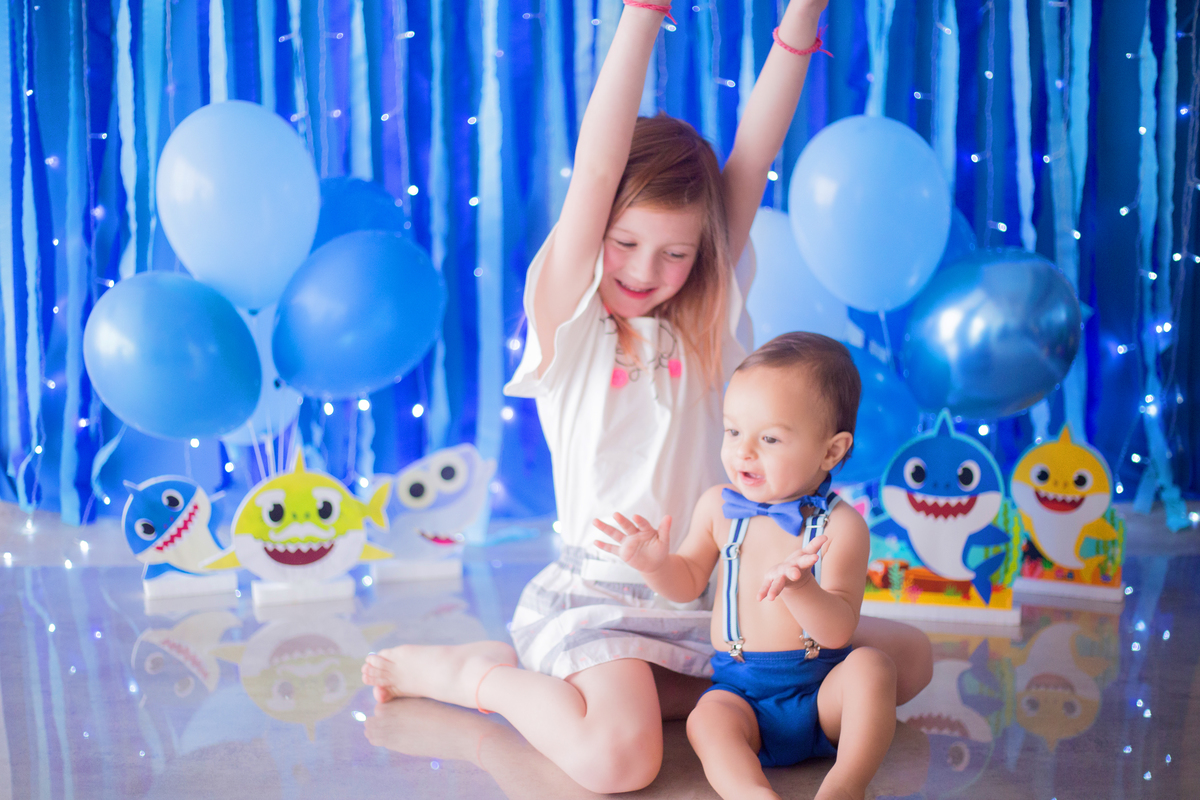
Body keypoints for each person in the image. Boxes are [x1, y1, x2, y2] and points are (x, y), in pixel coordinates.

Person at [362, 0, 932, 792]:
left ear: (703, 255)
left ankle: (641, 690)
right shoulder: (570, 320)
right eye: (626, 242)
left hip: (714, 596)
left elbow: (753, 151)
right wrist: (643, 12)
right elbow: (598, 169)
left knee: (905, 658)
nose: (643, 269)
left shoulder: (707, 326)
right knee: (620, 763)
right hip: (603, 598)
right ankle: (476, 675)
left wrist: (801, 18)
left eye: (674, 252)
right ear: (599, 233)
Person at [594, 333, 895, 800]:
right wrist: (656, 565)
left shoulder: (843, 527)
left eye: (770, 438)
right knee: (706, 721)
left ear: (831, 452)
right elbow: (688, 581)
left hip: (821, 692)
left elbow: (838, 629)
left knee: (873, 669)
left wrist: (802, 590)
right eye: (733, 431)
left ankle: (845, 784)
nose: (743, 451)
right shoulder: (718, 507)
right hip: (742, 691)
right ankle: (752, 793)